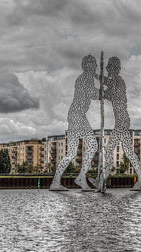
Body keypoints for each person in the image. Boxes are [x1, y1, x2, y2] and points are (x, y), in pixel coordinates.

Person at [50, 55, 99, 191]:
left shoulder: (85, 78)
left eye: (94, 65)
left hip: (77, 116)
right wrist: (108, 93)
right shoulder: (85, 79)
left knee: (80, 149)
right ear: (86, 66)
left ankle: (73, 179)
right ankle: (77, 178)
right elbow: (94, 94)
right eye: (91, 65)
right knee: (82, 148)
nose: (93, 67)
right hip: (77, 116)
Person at [99, 57, 141, 190]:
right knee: (128, 151)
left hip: (122, 121)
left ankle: (103, 179)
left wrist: (101, 88)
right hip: (122, 120)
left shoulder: (119, 81)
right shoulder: (115, 81)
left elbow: (111, 94)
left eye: (109, 68)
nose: (108, 69)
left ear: (114, 69)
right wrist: (98, 78)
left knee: (109, 150)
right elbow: (107, 88)